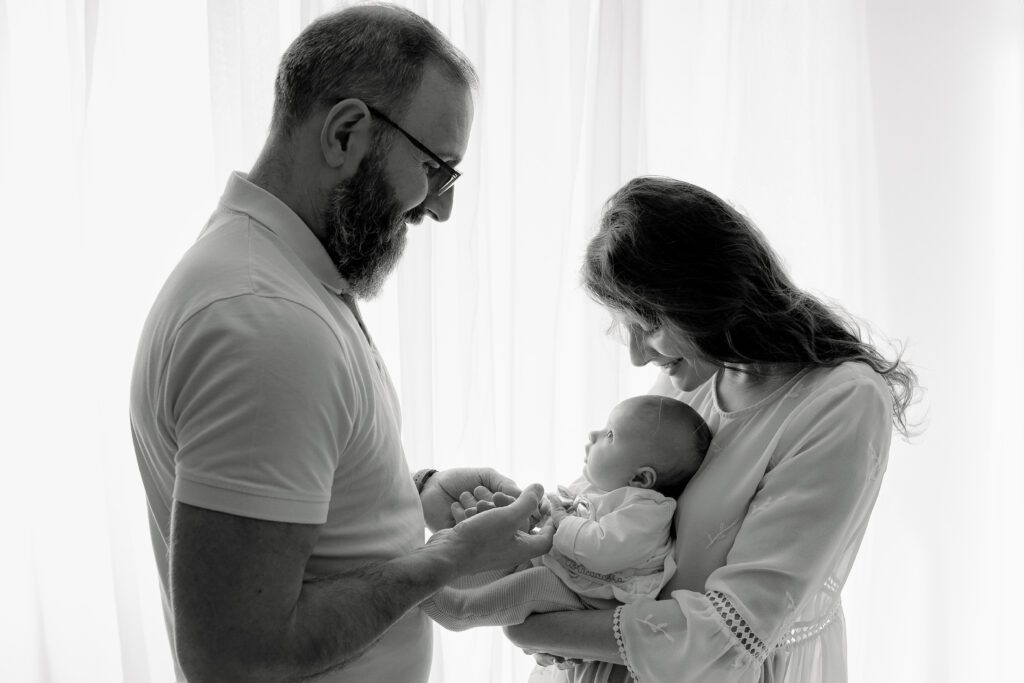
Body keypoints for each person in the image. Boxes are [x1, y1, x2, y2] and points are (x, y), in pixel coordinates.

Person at [129, 6, 552, 682]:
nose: (439, 207)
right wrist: (447, 557)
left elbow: (293, 537)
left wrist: (414, 498)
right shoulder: (265, 322)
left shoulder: (282, 278)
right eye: (435, 168)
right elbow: (237, 654)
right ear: (346, 132)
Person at [495, 176, 918, 682]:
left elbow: (734, 631)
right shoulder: (698, 370)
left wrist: (536, 628)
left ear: (705, 294)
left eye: (647, 325)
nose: (636, 356)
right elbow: (610, 494)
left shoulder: (841, 400)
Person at [424, 395, 711, 632]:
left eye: (610, 434)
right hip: (560, 565)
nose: (594, 434)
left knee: (530, 585)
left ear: (641, 479)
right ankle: (435, 576)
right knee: (502, 556)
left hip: (589, 595)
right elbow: (566, 509)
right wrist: (539, 514)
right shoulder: (595, 485)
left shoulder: (648, 511)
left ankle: (460, 611)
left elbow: (602, 548)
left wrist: (560, 520)